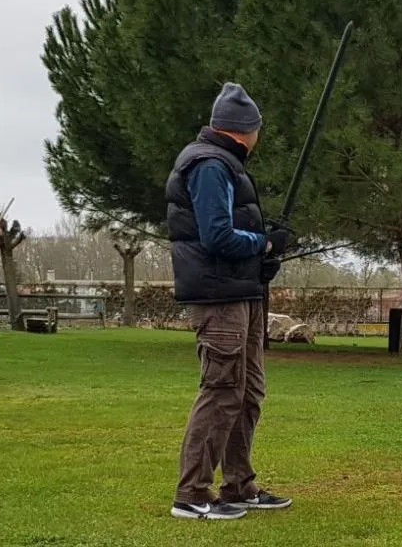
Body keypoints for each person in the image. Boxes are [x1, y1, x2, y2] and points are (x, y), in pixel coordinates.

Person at [163, 82, 291, 521]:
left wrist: (262, 260)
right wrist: (266, 245)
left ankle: (239, 484)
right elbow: (216, 235)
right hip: (218, 296)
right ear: (246, 130)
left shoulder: (224, 163)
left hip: (241, 291)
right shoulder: (210, 165)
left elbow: (234, 236)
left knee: (247, 391)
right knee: (221, 391)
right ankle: (192, 493)